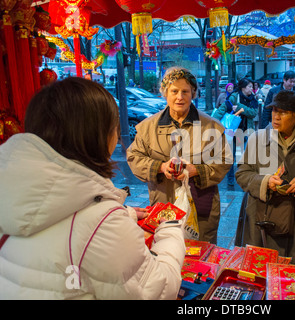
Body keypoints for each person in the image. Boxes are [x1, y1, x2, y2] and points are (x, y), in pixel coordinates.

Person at [0, 77, 185, 300]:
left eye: (185, 91)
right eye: (114, 127)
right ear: (98, 136)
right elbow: (160, 289)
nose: (117, 138)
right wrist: (171, 231)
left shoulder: (13, 189)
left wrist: (124, 214)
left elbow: (60, 223)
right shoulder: (102, 225)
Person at [127, 67, 232, 243]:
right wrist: (160, 167)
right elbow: (134, 157)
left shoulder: (212, 127)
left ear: (194, 93)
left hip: (201, 207)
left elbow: (224, 161)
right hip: (162, 204)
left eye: (185, 91)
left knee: (199, 260)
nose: (180, 97)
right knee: (164, 254)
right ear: (164, 93)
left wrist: (195, 170)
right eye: (174, 91)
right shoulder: (147, 127)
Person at [235, 90, 295, 265]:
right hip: (260, 216)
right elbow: (242, 173)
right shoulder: (257, 139)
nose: (276, 116)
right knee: (258, 271)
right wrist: (264, 182)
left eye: (283, 112)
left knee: (294, 278)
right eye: (274, 111)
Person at [212, 78, 258, 186]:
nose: (252, 89)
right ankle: (231, 178)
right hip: (232, 131)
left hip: (245, 131)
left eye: (252, 86)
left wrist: (240, 107)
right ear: (243, 87)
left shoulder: (253, 99)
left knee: (243, 156)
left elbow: (253, 113)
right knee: (230, 156)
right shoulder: (234, 97)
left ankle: (242, 176)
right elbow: (221, 110)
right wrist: (213, 122)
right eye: (249, 86)